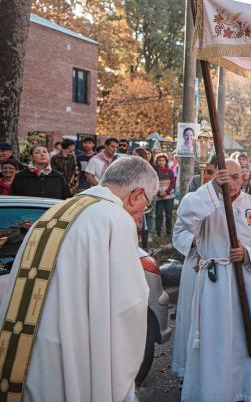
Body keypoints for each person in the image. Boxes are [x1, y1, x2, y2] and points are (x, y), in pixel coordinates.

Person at [0, 156, 158, 401]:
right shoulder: (115, 220)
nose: (140, 215)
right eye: (146, 206)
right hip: (72, 356)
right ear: (137, 194)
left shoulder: (56, 211)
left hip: (27, 353)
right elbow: (127, 306)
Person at [176, 160, 251, 401]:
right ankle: (216, 391)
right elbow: (185, 219)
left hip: (249, 281)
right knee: (217, 339)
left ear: (243, 178)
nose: (231, 183)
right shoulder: (204, 202)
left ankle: (250, 389)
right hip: (216, 282)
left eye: (235, 177)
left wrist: (248, 253)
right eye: (226, 178)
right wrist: (212, 188)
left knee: (250, 336)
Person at [171, 156, 218, 380]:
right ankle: (188, 371)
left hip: (220, 267)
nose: (209, 178)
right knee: (192, 316)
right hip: (196, 263)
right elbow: (178, 232)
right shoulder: (191, 200)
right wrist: (196, 241)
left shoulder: (233, 201)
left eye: (215, 174)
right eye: (207, 172)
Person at [153, 153, 175, 238]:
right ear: (156, 161)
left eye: (163, 160)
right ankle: (158, 233)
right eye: (159, 160)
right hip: (159, 197)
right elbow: (154, 183)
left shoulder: (170, 171)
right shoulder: (155, 172)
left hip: (169, 196)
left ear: (166, 161)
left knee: (169, 215)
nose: (161, 162)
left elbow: (172, 183)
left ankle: (169, 233)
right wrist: (159, 193)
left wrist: (167, 192)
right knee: (159, 215)